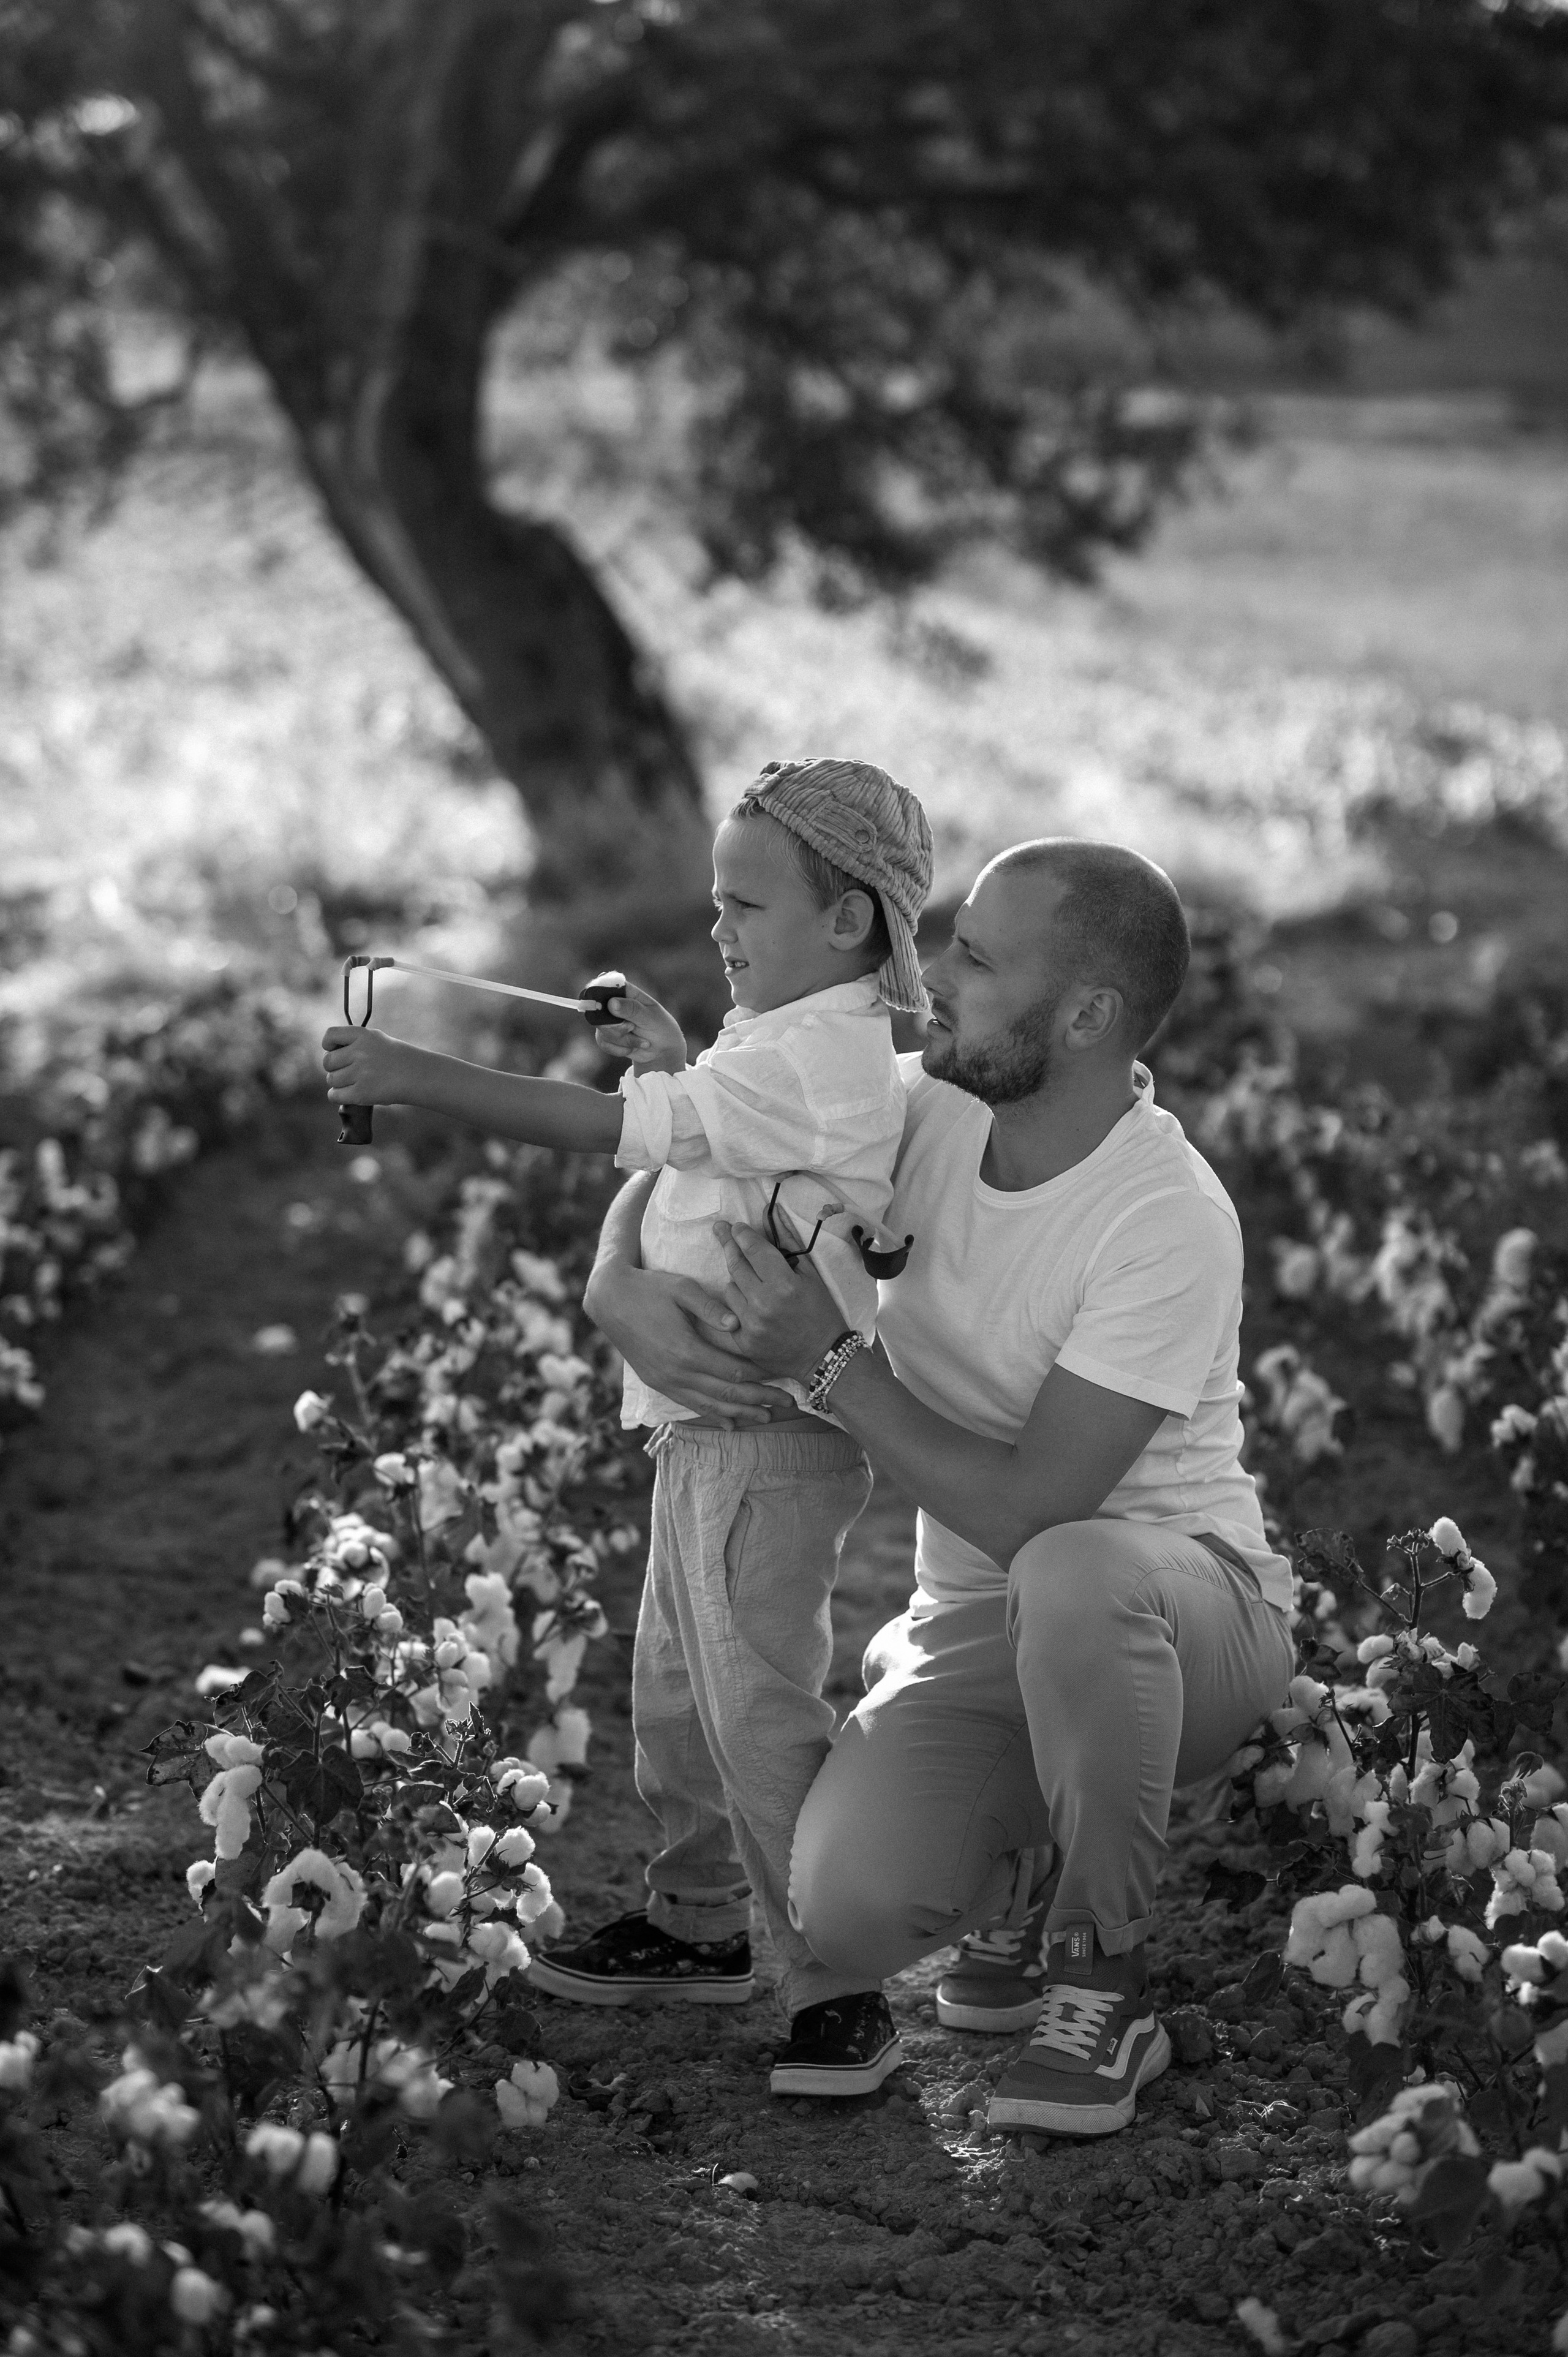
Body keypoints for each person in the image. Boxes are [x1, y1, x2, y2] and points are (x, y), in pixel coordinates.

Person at [587, 838, 1296, 2130]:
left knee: (1071, 1573)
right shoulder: (922, 1106)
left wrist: (828, 1365)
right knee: (843, 1907)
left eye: (973, 955)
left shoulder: (1163, 1215)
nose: (927, 977)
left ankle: (1103, 1984)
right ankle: (1023, 1872)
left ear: (1084, 1016)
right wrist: (615, 1280)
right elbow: (714, 1132)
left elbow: (1040, 1509)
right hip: (982, 1631)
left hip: (1184, 1622)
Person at [322, 757, 934, 2099]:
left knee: (755, 1710)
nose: (719, 928)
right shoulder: (779, 1041)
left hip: (762, 1441)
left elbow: (614, 1133)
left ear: (845, 925)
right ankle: (696, 1918)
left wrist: (417, 1072)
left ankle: (838, 1984)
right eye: (717, 900)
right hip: (709, 1435)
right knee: (673, 1696)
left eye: (746, 906)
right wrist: (677, 1053)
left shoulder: (814, 1055)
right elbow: (712, 1134)